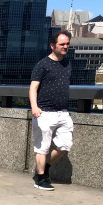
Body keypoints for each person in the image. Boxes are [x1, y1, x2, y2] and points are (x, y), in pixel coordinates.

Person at [29, 30, 73, 191]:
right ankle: (40, 179)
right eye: (62, 44)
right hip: (44, 112)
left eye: (67, 44)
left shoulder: (67, 64)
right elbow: (33, 88)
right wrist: (34, 107)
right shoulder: (42, 64)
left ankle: (45, 167)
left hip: (63, 112)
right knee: (42, 146)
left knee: (65, 145)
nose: (65, 47)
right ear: (52, 45)